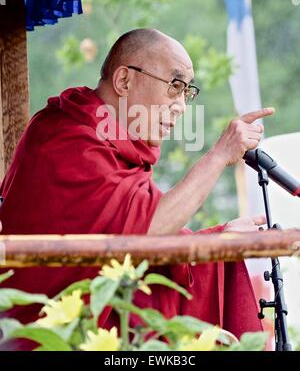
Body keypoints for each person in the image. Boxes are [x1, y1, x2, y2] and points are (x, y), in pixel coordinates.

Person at [0, 29, 273, 348]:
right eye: (175, 86)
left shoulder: (111, 144)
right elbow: (145, 234)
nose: (182, 106)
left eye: (187, 92)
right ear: (124, 81)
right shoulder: (68, 138)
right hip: (38, 337)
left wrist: (219, 238)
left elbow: (130, 231)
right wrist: (219, 155)